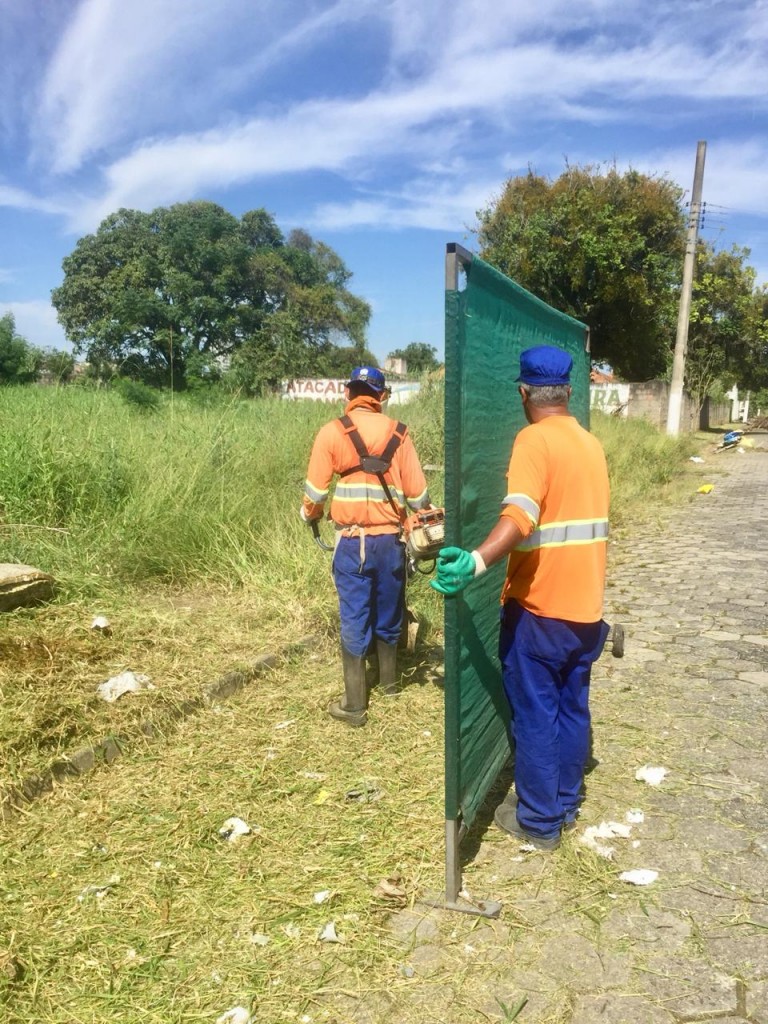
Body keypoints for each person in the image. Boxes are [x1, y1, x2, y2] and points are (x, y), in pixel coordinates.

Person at [431, 345, 610, 850]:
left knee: (535, 713)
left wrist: (476, 561)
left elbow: (520, 517)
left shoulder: (534, 440)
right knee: (572, 708)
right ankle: (566, 802)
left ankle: (537, 820)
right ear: (570, 392)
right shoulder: (589, 444)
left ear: (522, 393)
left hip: (541, 608)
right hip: (586, 609)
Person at [301, 366, 432, 727]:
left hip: (352, 543)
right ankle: (389, 685)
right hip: (392, 541)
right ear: (382, 396)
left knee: (355, 615)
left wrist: (310, 514)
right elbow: (420, 496)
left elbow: (314, 495)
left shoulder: (332, 432)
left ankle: (355, 705)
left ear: (348, 394)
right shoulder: (400, 434)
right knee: (390, 609)